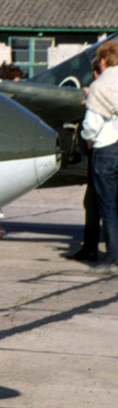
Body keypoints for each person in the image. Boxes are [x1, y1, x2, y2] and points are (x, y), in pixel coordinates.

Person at [80, 40, 118, 267]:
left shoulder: (99, 86)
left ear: (102, 61)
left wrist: (88, 140)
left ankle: (113, 259)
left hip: (107, 150)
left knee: (109, 208)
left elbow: (92, 125)